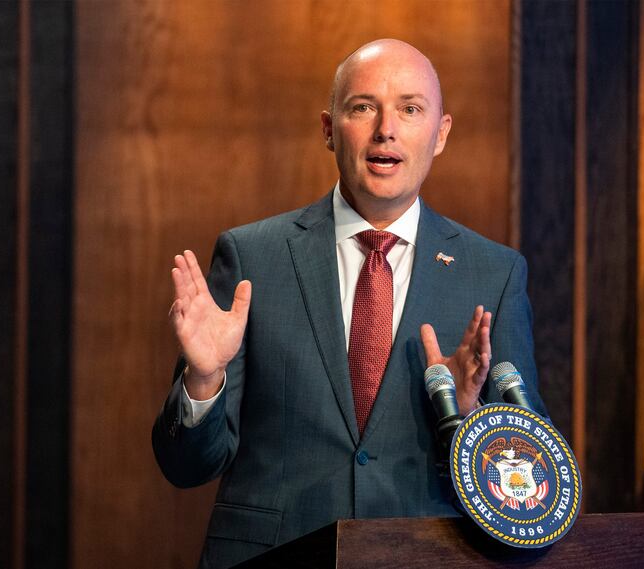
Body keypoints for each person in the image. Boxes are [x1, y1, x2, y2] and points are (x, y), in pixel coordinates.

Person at [152, 38, 546, 569]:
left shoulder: (494, 274)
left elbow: (533, 484)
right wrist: (203, 381)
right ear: (328, 128)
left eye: (410, 109)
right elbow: (186, 467)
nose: (386, 128)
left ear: (441, 134)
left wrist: (470, 418)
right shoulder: (252, 257)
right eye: (363, 107)